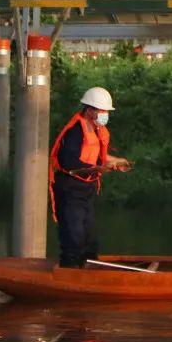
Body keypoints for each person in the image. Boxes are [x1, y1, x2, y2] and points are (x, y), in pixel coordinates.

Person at [49, 87, 132, 268]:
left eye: (106, 111)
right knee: (74, 238)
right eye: (102, 111)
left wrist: (115, 161)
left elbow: (95, 155)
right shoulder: (75, 131)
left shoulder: (96, 129)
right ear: (89, 110)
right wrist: (100, 168)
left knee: (90, 240)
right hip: (71, 189)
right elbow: (69, 162)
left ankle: (89, 274)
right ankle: (69, 276)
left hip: (86, 190)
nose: (105, 115)